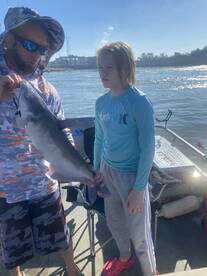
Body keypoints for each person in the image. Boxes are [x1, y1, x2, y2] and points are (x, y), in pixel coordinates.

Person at [0, 7, 83, 276]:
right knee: (13, 250)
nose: (38, 54)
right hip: (5, 191)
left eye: (43, 49)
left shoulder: (49, 91)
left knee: (61, 236)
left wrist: (81, 170)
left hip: (44, 182)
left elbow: (64, 134)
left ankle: (72, 269)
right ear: (8, 40)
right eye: (30, 45)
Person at [94, 42, 158, 276]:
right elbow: (99, 140)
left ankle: (151, 271)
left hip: (132, 177)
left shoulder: (140, 102)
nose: (103, 73)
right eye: (100, 68)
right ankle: (124, 257)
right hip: (107, 171)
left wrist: (139, 188)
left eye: (108, 68)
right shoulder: (100, 103)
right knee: (115, 223)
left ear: (125, 68)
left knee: (140, 233)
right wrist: (95, 173)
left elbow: (148, 148)